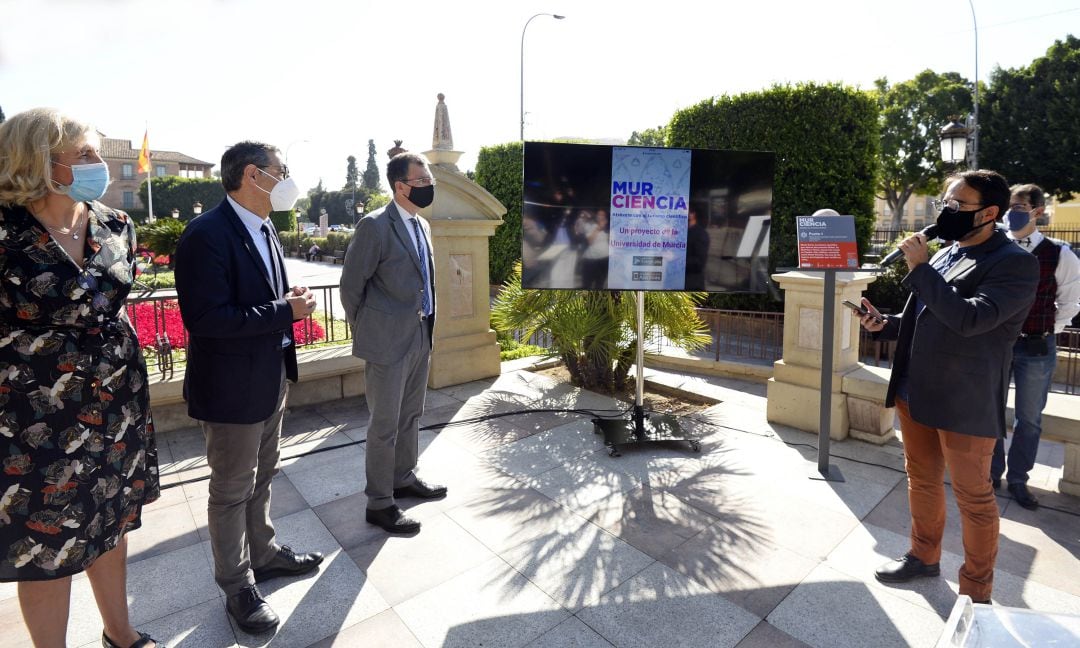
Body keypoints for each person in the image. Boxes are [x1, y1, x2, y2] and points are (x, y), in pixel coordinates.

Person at [0, 108, 162, 648]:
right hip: (32, 418)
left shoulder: (116, 224)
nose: (100, 165)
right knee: (45, 549)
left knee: (110, 522)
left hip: (117, 404)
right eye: (86, 155)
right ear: (40, 162)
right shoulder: (4, 231)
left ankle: (121, 635)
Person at [855, 170, 1039, 604]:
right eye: (945, 203)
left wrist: (920, 268)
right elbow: (925, 315)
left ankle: (977, 591)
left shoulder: (1014, 263)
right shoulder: (946, 253)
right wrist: (885, 324)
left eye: (957, 205)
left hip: (964, 401)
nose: (947, 212)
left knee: (974, 498)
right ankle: (923, 556)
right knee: (921, 480)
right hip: (915, 391)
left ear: (990, 213)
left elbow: (970, 319)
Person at [173, 141, 323, 634]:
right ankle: (237, 585)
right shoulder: (206, 234)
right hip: (231, 387)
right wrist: (287, 311)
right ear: (255, 176)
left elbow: (258, 299)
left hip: (270, 376)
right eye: (283, 171)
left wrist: (287, 300)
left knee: (263, 477)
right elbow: (207, 318)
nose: (288, 179)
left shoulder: (265, 228)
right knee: (232, 488)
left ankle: (265, 552)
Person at [340, 151, 447, 535]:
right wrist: (371, 330)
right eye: (421, 182)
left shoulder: (421, 225)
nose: (428, 187)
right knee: (384, 424)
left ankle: (404, 477)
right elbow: (351, 287)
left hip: (420, 335)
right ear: (400, 186)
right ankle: (380, 502)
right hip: (387, 342)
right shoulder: (374, 226)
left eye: (428, 180)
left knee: (411, 415)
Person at [991, 184, 1080, 510]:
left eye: (1018, 206)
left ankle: (1018, 479)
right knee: (992, 412)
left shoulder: (1060, 254)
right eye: (1009, 206)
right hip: (997, 345)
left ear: (1037, 211)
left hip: (1036, 348)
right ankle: (991, 473)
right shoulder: (997, 246)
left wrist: (1042, 332)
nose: (1010, 212)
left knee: (1029, 419)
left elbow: (1070, 303)